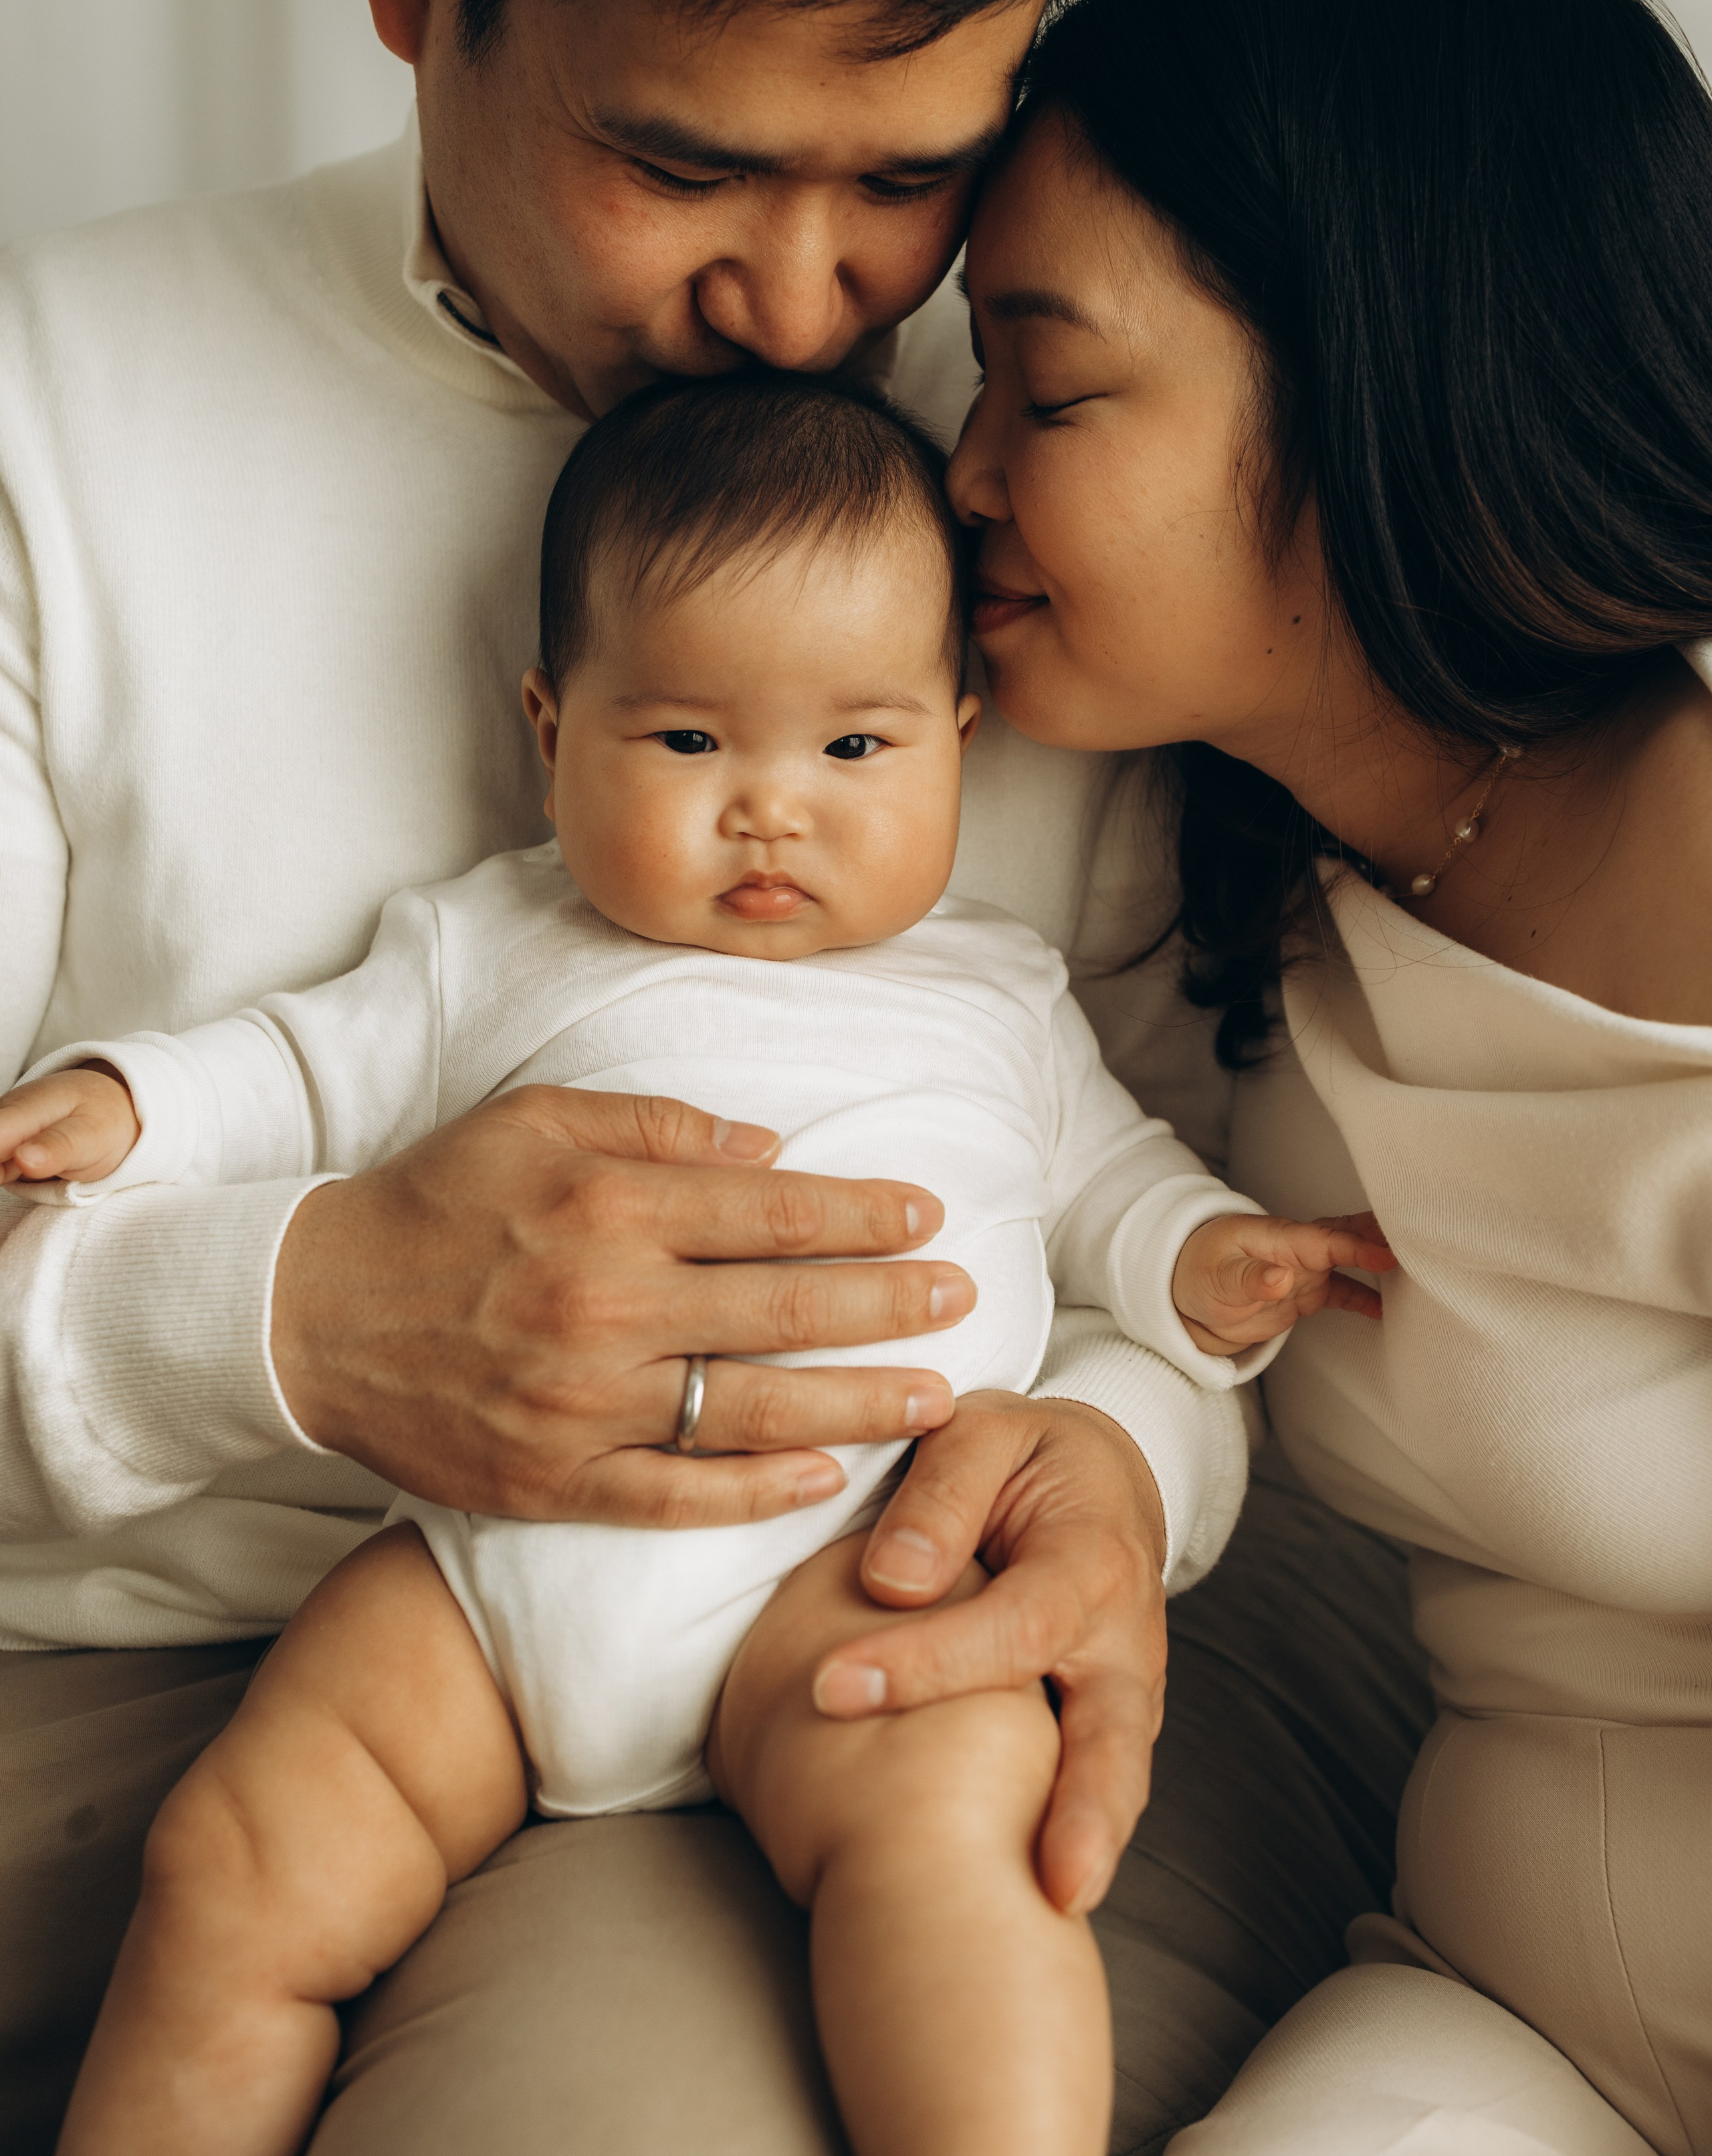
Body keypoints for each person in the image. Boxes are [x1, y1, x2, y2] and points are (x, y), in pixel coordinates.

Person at [0, 0, 1434, 2149]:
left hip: (804, 1652)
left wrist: (1124, 1463)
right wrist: (292, 1315)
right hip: (139, 1659)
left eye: (911, 177)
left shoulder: (1048, 477)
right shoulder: (52, 426)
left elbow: (1225, 1242)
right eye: (681, 163)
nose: (810, 307)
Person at [4, 372, 1390, 2156]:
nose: (771, 811)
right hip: (491, 1582)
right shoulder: (485, 943)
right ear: (550, 724)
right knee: (230, 1861)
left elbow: (1110, 1186)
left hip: (853, 1566)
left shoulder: (1000, 991)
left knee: (955, 1847)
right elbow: (294, 1067)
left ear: (961, 734)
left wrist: (1202, 1263)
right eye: (686, 744)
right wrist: (136, 1105)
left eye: (856, 748)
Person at [948, 0, 1712, 2154]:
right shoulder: (1201, 876)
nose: (967, 471)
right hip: (1505, 2018)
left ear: (1387, 373)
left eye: (1049, 386)